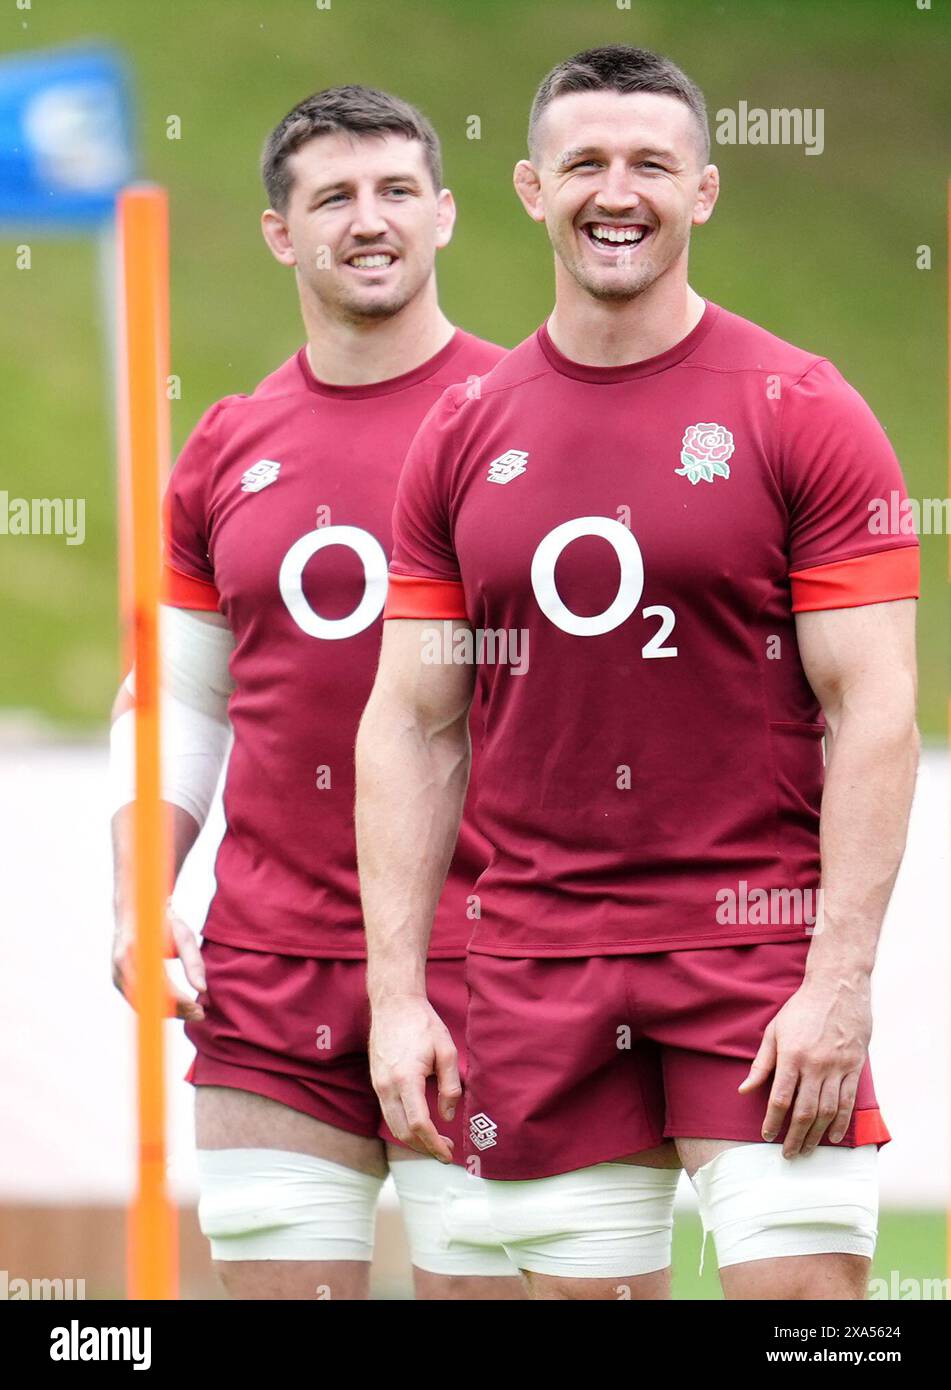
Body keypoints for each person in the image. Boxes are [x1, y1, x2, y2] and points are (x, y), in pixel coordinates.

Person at [356, 46, 919, 1301]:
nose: (620, 192)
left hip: (757, 954)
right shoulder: (461, 431)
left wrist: (839, 981)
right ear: (530, 187)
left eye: (652, 164)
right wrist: (397, 996)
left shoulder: (803, 407)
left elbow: (874, 706)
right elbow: (410, 722)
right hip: (541, 963)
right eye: (588, 164)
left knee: (815, 1317)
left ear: (704, 191)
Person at [110, 84, 521, 1301]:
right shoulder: (228, 443)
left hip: (492, 964)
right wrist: (142, 893)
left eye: (397, 190)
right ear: (281, 234)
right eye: (333, 196)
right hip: (272, 971)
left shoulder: (530, 416)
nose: (370, 218)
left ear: (444, 215)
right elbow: (181, 699)